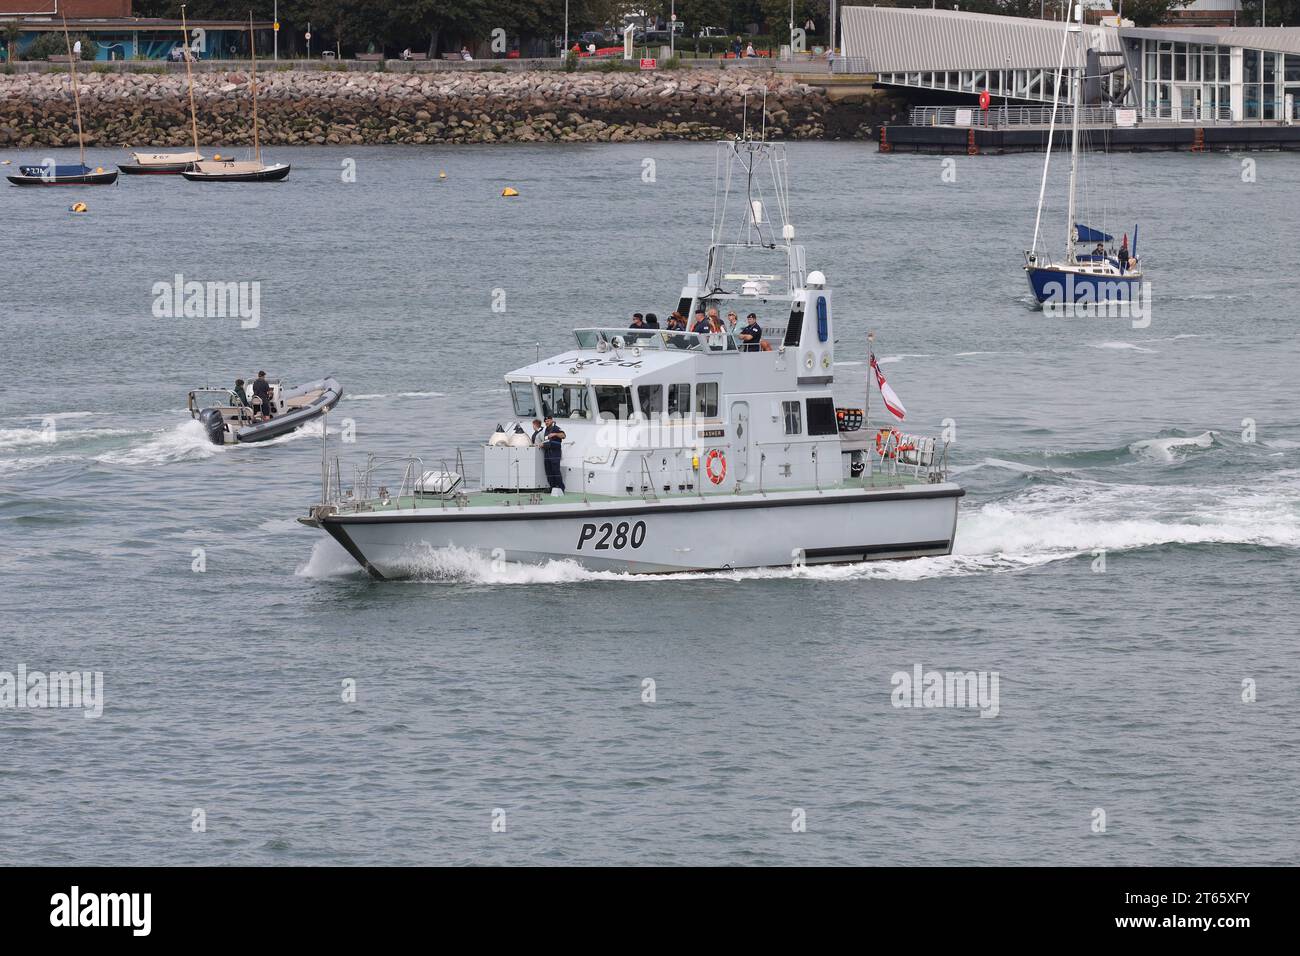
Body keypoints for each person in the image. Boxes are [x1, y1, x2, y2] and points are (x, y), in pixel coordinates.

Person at [541, 415, 566, 492]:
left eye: (548, 421)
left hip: (555, 453)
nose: (546, 422)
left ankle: (561, 487)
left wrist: (555, 434)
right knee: (548, 471)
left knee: (556, 470)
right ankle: (552, 487)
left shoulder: (556, 428)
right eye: (545, 421)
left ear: (551, 420)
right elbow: (546, 440)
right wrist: (542, 444)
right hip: (547, 453)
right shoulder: (546, 430)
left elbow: (563, 436)